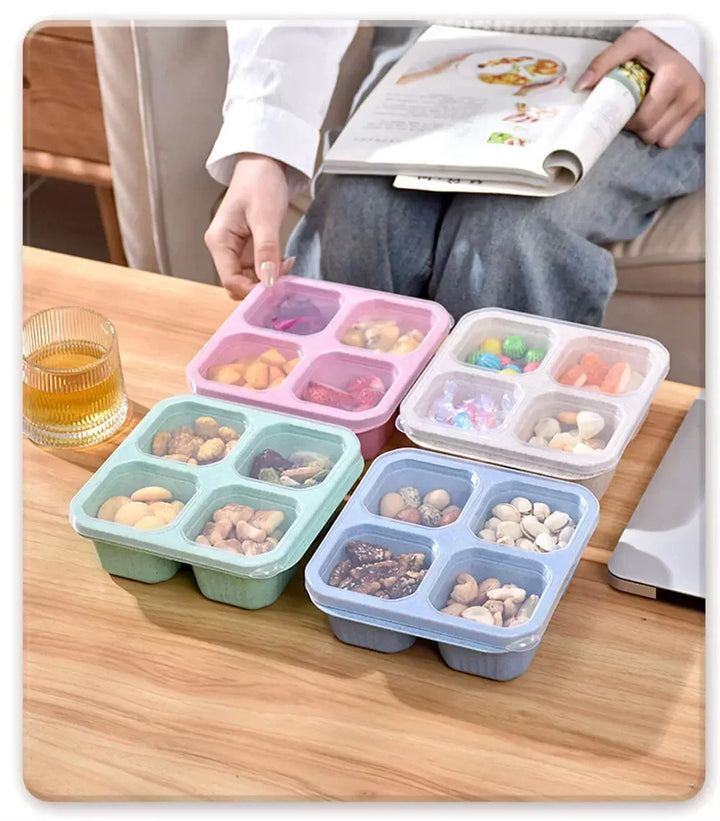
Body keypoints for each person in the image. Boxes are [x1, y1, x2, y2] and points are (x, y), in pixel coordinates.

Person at [204, 21, 705, 326]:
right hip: (441, 38)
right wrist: (262, 148)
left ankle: (503, 449)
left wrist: (692, 33)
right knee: (359, 213)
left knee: (515, 235)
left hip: (636, 52)